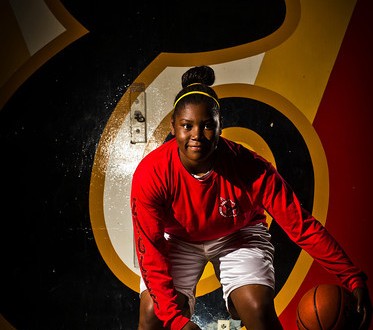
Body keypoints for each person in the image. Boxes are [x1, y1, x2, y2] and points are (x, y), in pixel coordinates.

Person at [130, 65, 371, 330]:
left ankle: (239, 300)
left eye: (208, 125)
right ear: (174, 127)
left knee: (256, 309)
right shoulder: (152, 173)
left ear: (221, 127)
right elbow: (151, 253)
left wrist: (352, 277)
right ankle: (228, 303)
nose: (197, 135)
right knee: (152, 315)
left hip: (237, 234)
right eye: (187, 126)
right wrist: (176, 321)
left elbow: (300, 226)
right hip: (179, 239)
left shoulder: (250, 168)